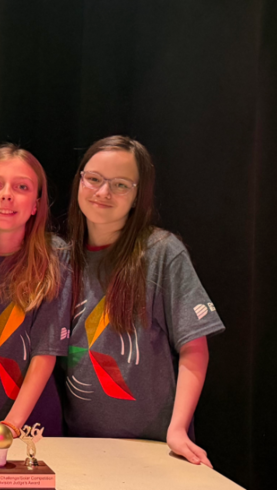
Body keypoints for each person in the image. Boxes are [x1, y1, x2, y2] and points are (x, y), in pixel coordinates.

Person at [62, 136, 223, 467]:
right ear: (80, 181)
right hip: (77, 446)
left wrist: (177, 431)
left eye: (120, 184)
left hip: (153, 447)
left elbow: (195, 348)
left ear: (138, 195)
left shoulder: (162, 252)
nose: (103, 192)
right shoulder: (62, 257)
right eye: (93, 179)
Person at [0, 144, 70, 439]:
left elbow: (45, 352)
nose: (7, 194)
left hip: (33, 429)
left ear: (36, 203)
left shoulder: (55, 258)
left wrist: (11, 425)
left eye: (21, 187)